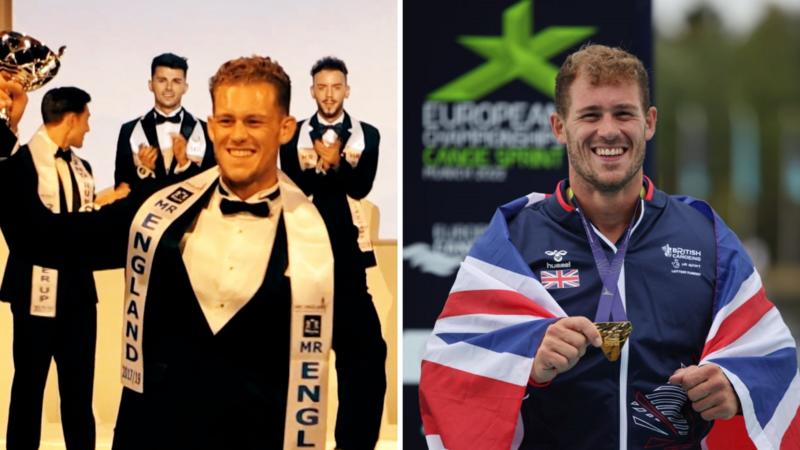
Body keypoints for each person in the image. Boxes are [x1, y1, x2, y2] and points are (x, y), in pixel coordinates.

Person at [419, 44, 799, 450]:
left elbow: (771, 355)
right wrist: (528, 360)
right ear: (559, 126)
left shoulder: (705, 236)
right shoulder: (513, 238)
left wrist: (735, 388)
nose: (609, 130)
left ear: (649, 122)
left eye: (623, 113)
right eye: (589, 115)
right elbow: (452, 373)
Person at [1, 55, 386, 449]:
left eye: (254, 121)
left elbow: (365, 358)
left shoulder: (322, 233)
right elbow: (43, 240)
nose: (238, 135)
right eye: (226, 121)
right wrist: (4, 136)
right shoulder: (158, 212)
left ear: (285, 129)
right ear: (211, 125)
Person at [0, 87, 97, 449]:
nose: (88, 129)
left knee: (78, 396)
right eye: (86, 120)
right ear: (71, 118)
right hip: (33, 294)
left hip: (77, 298)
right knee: (28, 389)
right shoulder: (21, 162)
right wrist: (12, 115)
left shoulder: (83, 169)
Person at [280, 56, 380, 270]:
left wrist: (337, 164)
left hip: (350, 240)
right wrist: (324, 166)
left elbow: (361, 188)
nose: (328, 95)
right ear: (312, 91)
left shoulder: (369, 134)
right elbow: (292, 189)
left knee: (357, 302)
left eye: (336, 87)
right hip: (305, 239)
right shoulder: (291, 134)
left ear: (347, 90)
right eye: (322, 87)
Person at [113, 52, 215, 195]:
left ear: (185, 87)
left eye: (176, 81)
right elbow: (121, 188)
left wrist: (185, 164)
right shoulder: (129, 131)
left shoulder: (205, 130)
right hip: (143, 216)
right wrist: (144, 171)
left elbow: (212, 185)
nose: (168, 87)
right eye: (162, 80)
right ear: (151, 84)